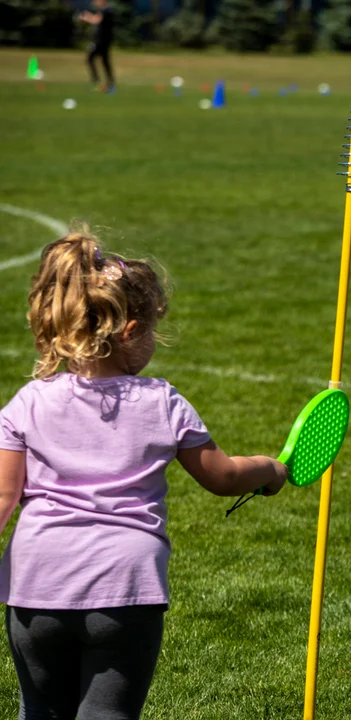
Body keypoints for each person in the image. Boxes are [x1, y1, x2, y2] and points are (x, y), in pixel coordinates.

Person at [0, 228, 288, 718]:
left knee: (40, 713)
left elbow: (3, 498)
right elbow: (221, 477)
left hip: (35, 588)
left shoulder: (28, 402)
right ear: (130, 330)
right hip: (125, 591)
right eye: (153, 329)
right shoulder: (161, 401)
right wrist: (270, 468)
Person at [80, 0, 115, 92]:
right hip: (104, 41)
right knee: (105, 61)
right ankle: (110, 82)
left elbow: (96, 20)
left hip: (101, 41)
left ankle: (96, 80)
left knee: (91, 58)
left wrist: (86, 17)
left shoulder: (106, 10)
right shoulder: (104, 10)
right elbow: (97, 18)